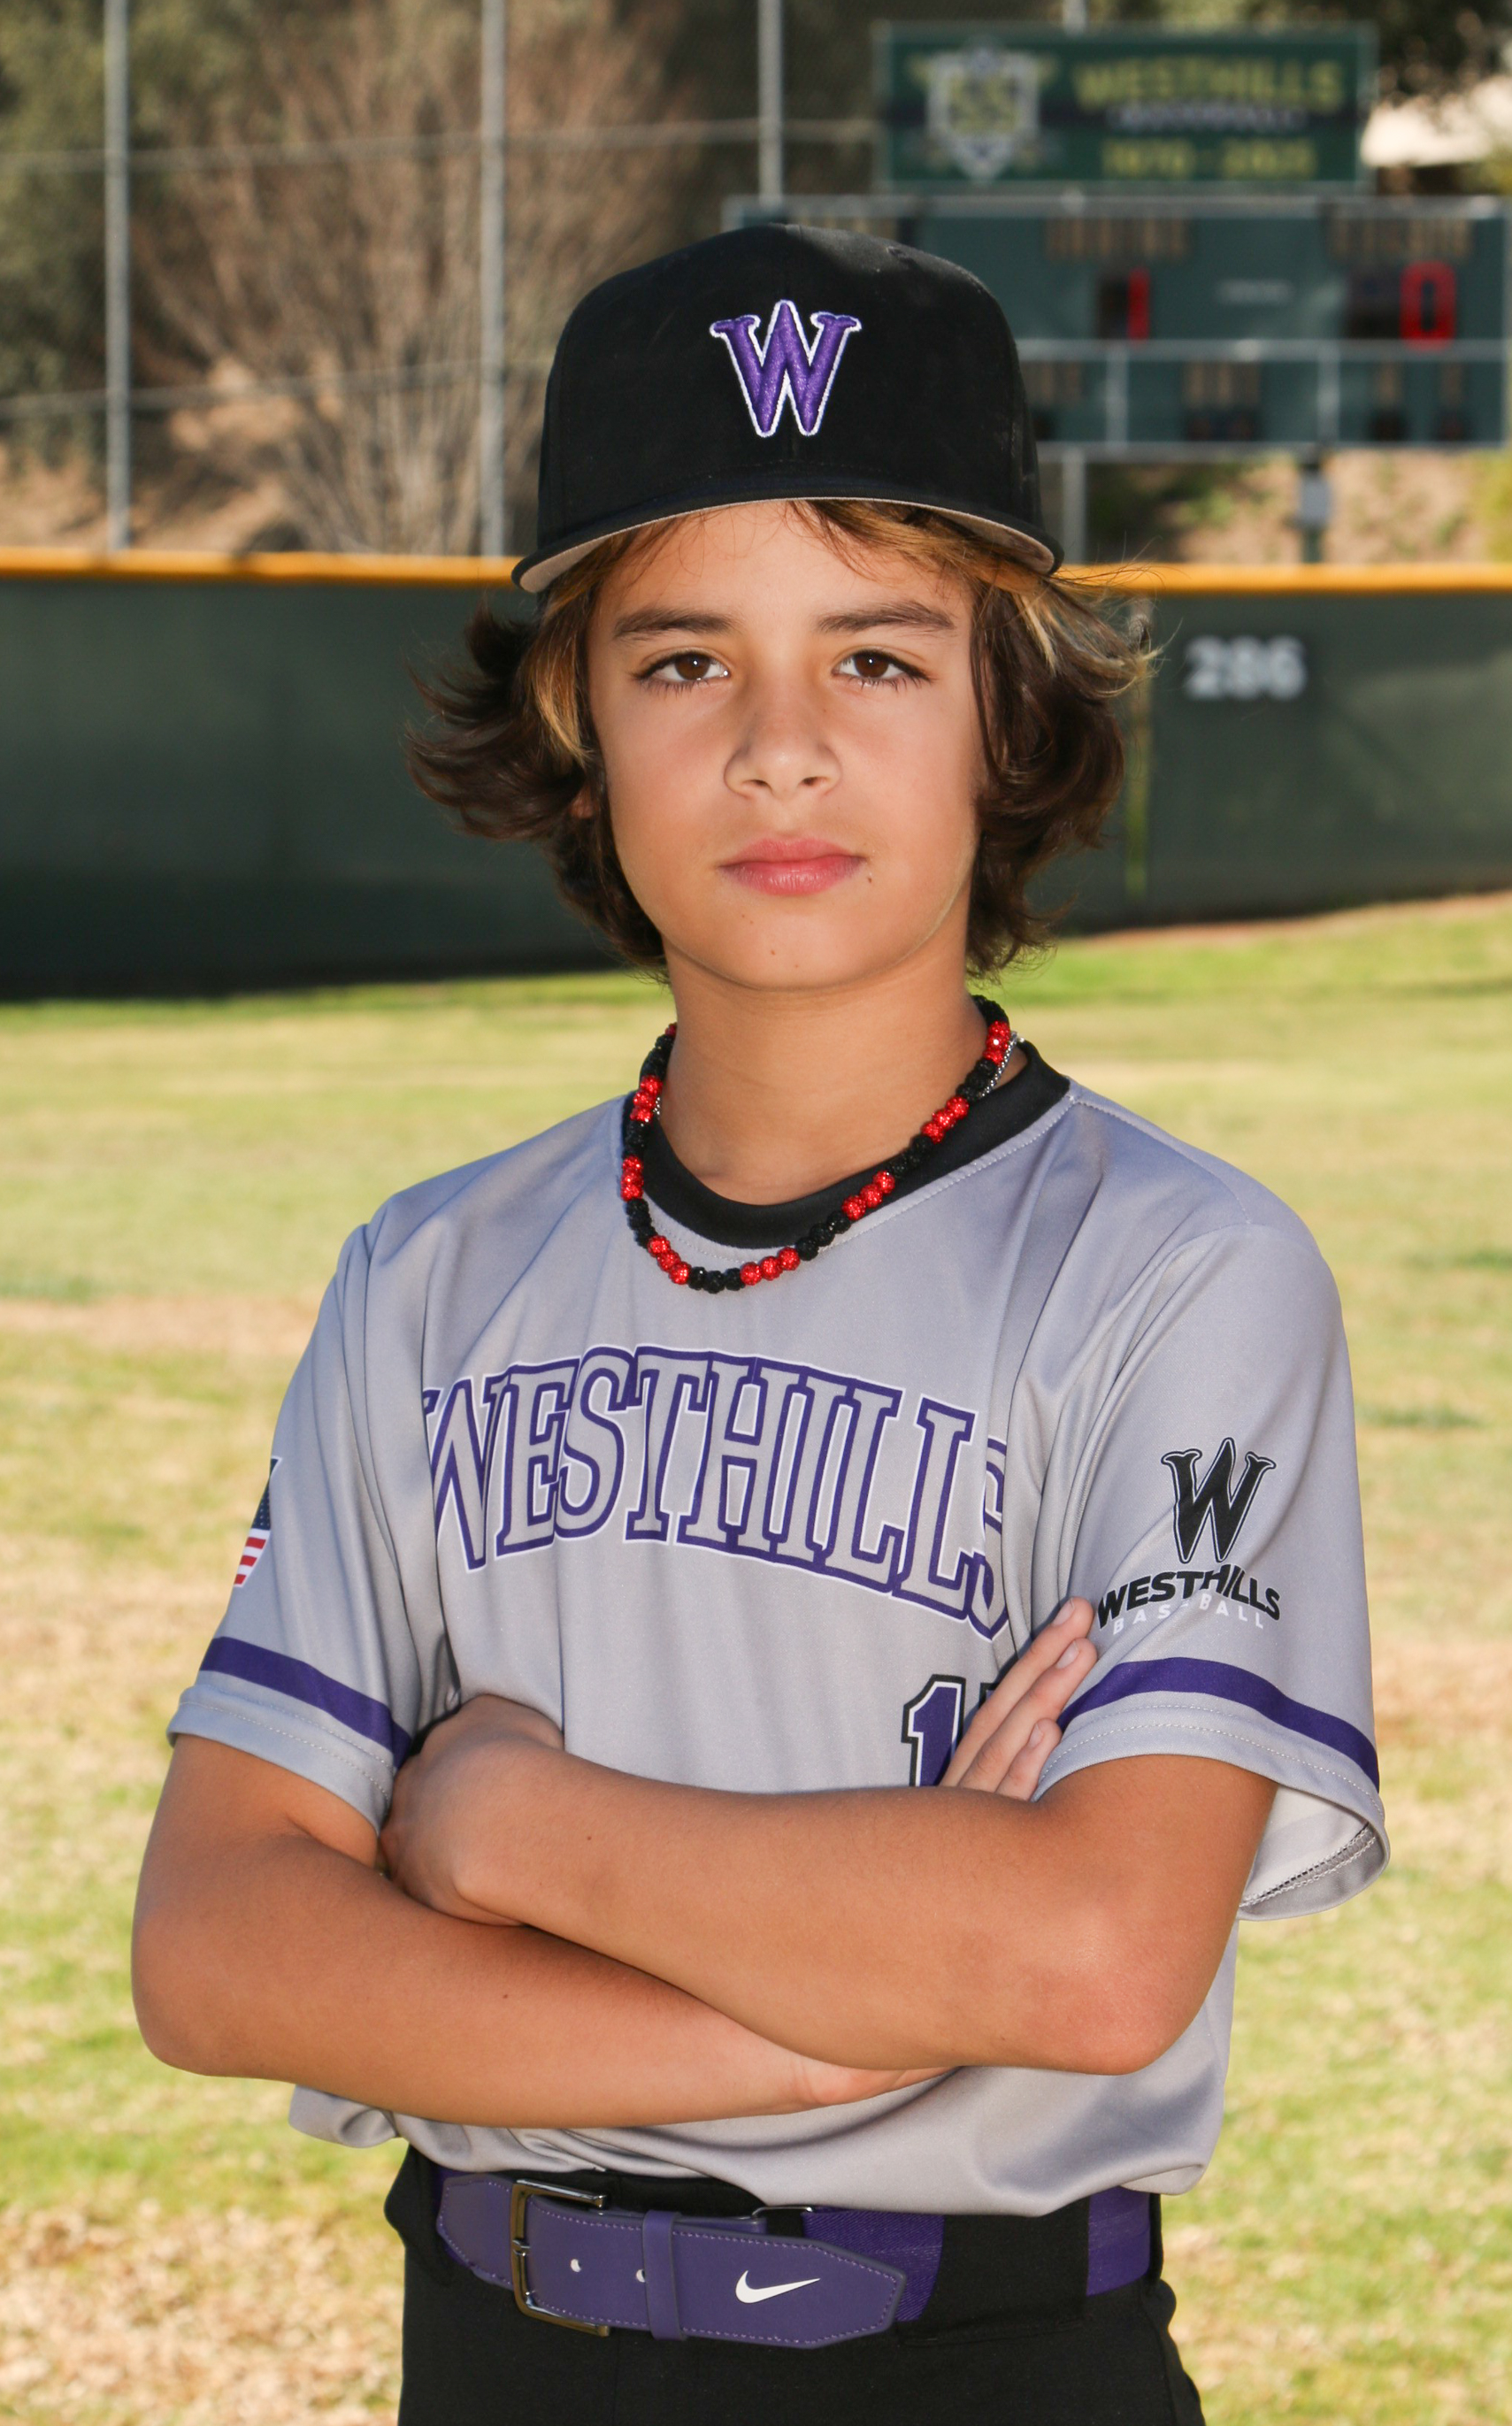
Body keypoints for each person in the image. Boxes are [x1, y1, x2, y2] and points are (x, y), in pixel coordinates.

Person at [133, 226, 1386, 2426]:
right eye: (685, 659)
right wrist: (802, 2031)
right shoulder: (431, 1278)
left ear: (1006, 706)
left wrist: (502, 1824)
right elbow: (219, 1944)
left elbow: (1095, 1947)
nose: (781, 748)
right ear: (573, 716)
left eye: (877, 657)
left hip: (980, 2365)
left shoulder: (1180, 1272)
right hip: (498, 2354)